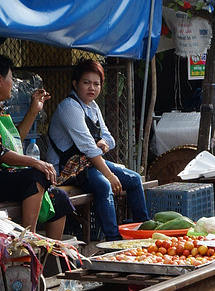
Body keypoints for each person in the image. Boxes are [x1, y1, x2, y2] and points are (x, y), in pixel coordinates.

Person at [0, 54, 72, 237]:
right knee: (35, 176)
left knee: (60, 199)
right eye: (11, 78)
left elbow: (15, 139)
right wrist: (35, 163)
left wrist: (34, 110)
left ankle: (51, 259)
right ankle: (28, 240)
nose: (13, 83)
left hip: (3, 176)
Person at [47, 58, 148, 240]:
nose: (91, 88)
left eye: (96, 83)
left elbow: (109, 138)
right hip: (66, 170)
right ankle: (113, 239)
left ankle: (145, 231)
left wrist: (102, 143)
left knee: (134, 179)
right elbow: (88, 148)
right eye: (86, 83)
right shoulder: (69, 107)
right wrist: (110, 175)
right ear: (75, 84)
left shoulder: (92, 107)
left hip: (88, 164)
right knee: (103, 184)